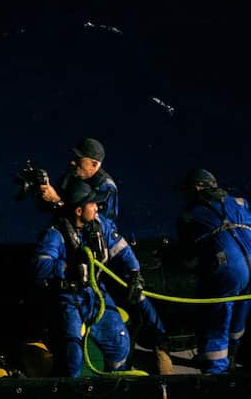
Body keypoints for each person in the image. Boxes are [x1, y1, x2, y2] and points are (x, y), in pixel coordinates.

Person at [32, 137, 170, 370]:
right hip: (74, 271)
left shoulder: (106, 190)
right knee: (71, 346)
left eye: (79, 160)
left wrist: (135, 274)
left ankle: (159, 340)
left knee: (136, 297)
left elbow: (97, 222)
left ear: (94, 164)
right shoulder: (71, 185)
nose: (73, 163)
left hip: (100, 259)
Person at [32, 179, 142, 377]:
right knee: (72, 354)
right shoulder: (54, 235)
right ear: (79, 211)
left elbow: (123, 251)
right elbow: (41, 267)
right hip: (69, 298)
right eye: (92, 203)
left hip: (96, 294)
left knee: (119, 341)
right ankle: (70, 393)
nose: (97, 207)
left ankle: (117, 383)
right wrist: (68, 267)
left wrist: (135, 275)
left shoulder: (102, 227)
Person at [174, 169, 251, 374]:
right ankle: (235, 357)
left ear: (198, 187)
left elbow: (187, 254)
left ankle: (215, 373)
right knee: (240, 314)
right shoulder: (241, 202)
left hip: (229, 268)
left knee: (217, 318)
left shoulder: (189, 214)